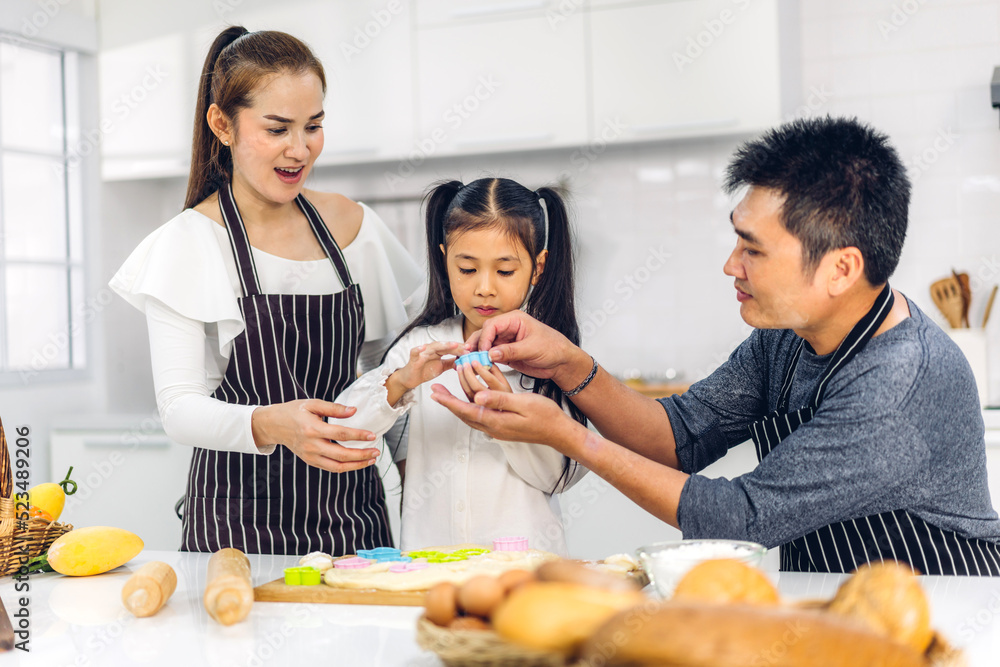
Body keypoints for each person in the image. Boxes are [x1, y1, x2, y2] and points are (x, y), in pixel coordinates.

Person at [432, 116, 1000, 575]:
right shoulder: (785, 340)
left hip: (942, 607)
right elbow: (679, 436)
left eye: (753, 249)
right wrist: (568, 363)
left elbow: (741, 518)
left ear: (840, 268)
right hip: (832, 601)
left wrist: (569, 437)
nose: (731, 265)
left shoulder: (897, 382)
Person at [109, 27, 423, 555]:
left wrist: (420, 494)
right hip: (238, 528)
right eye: (277, 128)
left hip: (354, 520)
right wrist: (274, 423)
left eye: (314, 126)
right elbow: (180, 408)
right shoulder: (187, 244)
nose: (299, 149)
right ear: (221, 124)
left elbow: (388, 381)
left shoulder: (355, 227)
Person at [333, 178, 587, 554]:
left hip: (521, 571)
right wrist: (401, 382)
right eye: (467, 269)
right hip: (430, 570)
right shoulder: (418, 348)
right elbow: (340, 430)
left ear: (537, 268)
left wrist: (508, 414)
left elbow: (558, 477)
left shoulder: (552, 356)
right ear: (444, 260)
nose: (485, 288)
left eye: (504, 271)